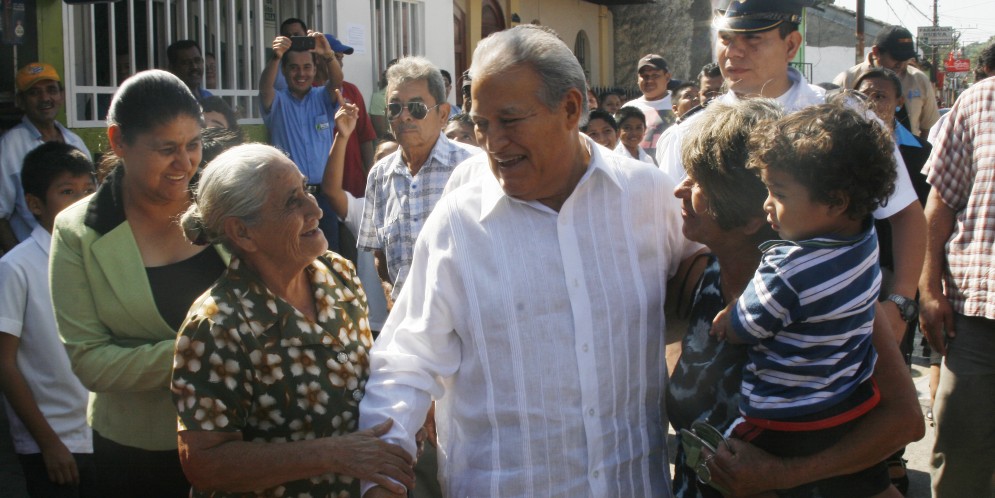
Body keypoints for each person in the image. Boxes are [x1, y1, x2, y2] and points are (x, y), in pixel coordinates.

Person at [358, 24, 702, 498]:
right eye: (481, 124)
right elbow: (405, 361)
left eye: (510, 120)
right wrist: (381, 475)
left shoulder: (649, 197)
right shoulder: (459, 223)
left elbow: (710, 292)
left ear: (571, 108)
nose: (492, 142)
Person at [666, 99, 924, 498]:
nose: (679, 189)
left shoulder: (829, 295)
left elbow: (905, 422)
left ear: (753, 214)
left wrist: (781, 474)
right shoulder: (701, 277)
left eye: (699, 181)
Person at [658, 0, 925, 351]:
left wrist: (901, 302)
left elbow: (905, 214)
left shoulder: (843, 118)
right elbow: (671, 246)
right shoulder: (688, 133)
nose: (733, 52)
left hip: (831, 334)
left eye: (752, 39)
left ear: (791, 45)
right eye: (725, 39)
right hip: (721, 328)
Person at [170, 143, 414, 497]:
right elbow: (204, 464)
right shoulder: (217, 325)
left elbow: (371, 374)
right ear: (242, 232)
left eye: (306, 190)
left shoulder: (338, 274)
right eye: (291, 202)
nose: (315, 209)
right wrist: (333, 454)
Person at [50, 70, 227, 498]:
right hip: (136, 453)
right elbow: (90, 361)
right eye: (166, 149)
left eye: (193, 145)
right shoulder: (78, 232)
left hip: (238, 439)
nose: (185, 163)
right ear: (118, 142)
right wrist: (203, 351)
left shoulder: (222, 205)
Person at [0, 143, 97, 498]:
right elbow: (5, 364)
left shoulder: (98, 256)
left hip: (102, 433)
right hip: (54, 442)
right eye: (67, 192)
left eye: (88, 190)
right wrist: (48, 443)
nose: (82, 201)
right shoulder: (16, 267)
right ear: (35, 204)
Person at [919, 76, 995, 498]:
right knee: (961, 459)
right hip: (977, 317)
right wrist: (928, 290)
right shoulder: (980, 101)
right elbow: (941, 203)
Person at [357, 56, 477, 308]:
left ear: (443, 114)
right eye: (395, 108)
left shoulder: (474, 167)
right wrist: (391, 299)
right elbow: (379, 254)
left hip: (467, 317)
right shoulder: (379, 176)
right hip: (407, 320)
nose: (405, 117)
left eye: (416, 108)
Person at [259, 29, 344, 253]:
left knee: (329, 257)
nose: (301, 73)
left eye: (307, 67)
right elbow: (265, 88)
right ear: (284, 71)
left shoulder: (322, 98)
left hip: (324, 197)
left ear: (315, 70)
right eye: (294, 68)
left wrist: (328, 55)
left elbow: (337, 82)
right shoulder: (277, 102)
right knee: (293, 254)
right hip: (290, 197)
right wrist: (276, 57)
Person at [1, 62, 91, 253]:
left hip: (76, 252)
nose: (45, 98)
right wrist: (22, 259)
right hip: (35, 254)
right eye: (34, 93)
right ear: (21, 101)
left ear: (62, 95)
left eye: (51, 90)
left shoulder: (74, 142)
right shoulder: (10, 145)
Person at [321, 91, 391, 336]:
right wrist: (342, 136)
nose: (387, 166)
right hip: (375, 324)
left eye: (395, 158)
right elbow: (331, 191)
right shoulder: (364, 209)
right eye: (381, 159)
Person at [833, 26, 939, 139]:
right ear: (876, 52)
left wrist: (918, 149)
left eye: (905, 58)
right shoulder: (847, 80)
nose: (901, 64)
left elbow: (929, 127)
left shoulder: (919, 80)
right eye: (896, 58)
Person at [620, 54, 676, 158]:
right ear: (638, 79)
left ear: (667, 77)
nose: (649, 80)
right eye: (645, 76)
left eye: (655, 75)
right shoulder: (628, 109)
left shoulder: (680, 103)